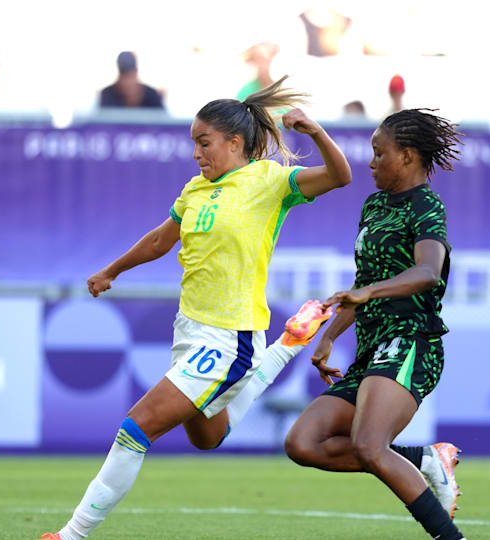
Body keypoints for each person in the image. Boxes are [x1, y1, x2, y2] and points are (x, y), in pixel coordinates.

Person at [37, 76, 353, 540]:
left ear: (234, 142)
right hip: (189, 331)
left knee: (136, 428)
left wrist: (317, 132)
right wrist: (112, 270)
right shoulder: (195, 189)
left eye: (204, 143)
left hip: (229, 338)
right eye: (194, 143)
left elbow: (341, 176)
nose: (195, 153)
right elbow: (160, 241)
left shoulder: (269, 182)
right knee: (208, 437)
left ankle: (71, 535)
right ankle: (289, 343)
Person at [284, 109, 465, 540]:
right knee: (302, 444)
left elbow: (427, 272)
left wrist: (368, 292)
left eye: (379, 153)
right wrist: (329, 337)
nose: (371, 162)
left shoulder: (426, 205)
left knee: (369, 446)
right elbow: (363, 285)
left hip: (410, 341)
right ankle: (425, 460)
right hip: (371, 349)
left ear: (407, 156)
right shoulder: (375, 205)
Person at [98, 51, 164, 109]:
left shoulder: (152, 94)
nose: (127, 82)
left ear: (136, 72)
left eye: (130, 75)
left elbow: (163, 117)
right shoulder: (106, 94)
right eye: (124, 75)